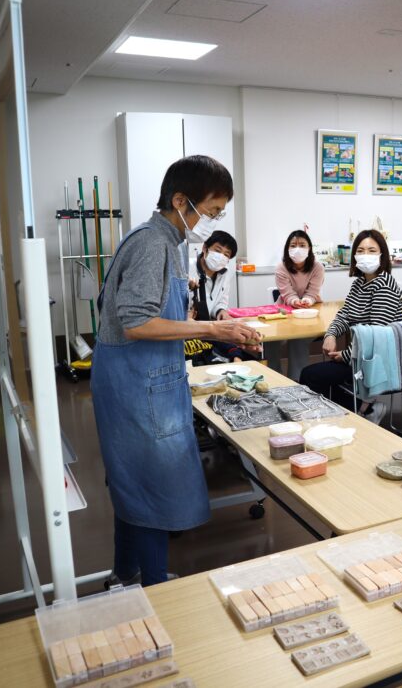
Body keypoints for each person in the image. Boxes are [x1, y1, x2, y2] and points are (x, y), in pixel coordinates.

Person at [91, 155, 262, 586]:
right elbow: (136, 323)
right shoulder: (153, 244)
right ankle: (153, 587)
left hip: (148, 378)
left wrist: (207, 324)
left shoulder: (168, 241)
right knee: (150, 486)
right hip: (136, 384)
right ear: (181, 201)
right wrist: (212, 328)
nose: (213, 222)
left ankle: (125, 573)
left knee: (132, 483)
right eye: (211, 212)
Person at [299, 229, 402, 423]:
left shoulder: (385, 286)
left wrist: (346, 355)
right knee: (315, 375)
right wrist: (331, 334)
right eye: (360, 251)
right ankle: (365, 408)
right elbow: (344, 315)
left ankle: (362, 409)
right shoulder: (359, 284)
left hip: (378, 360)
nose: (365, 255)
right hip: (361, 356)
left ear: (382, 255)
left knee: (311, 376)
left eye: (372, 250)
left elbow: (375, 335)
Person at [188, 230, 254, 362]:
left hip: (210, 327)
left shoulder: (225, 273)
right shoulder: (187, 268)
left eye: (226, 254)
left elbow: (221, 300)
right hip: (189, 329)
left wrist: (221, 311)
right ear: (205, 248)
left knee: (240, 353)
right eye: (217, 251)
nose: (221, 257)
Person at [269, 230, 325, 380]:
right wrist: (295, 301)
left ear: (309, 248)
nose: (297, 249)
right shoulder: (281, 268)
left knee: (299, 338)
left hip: (310, 312)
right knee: (270, 340)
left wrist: (307, 300)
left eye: (302, 245)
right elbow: (287, 293)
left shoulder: (317, 267)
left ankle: (296, 380)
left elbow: (313, 291)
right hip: (284, 312)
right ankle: (274, 378)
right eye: (293, 245)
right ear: (287, 249)